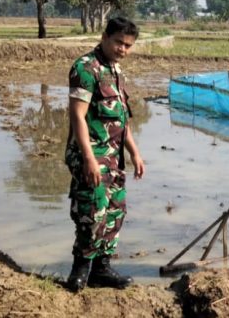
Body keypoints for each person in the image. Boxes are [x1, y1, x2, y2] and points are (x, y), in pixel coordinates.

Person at [63, 17, 146, 291]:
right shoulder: (86, 68)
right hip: (90, 152)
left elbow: (122, 119)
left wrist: (135, 154)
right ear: (104, 37)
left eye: (128, 45)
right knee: (92, 208)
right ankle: (81, 268)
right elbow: (77, 115)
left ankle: (102, 268)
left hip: (113, 156)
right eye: (119, 43)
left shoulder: (116, 70)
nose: (123, 49)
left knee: (115, 211)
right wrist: (88, 158)